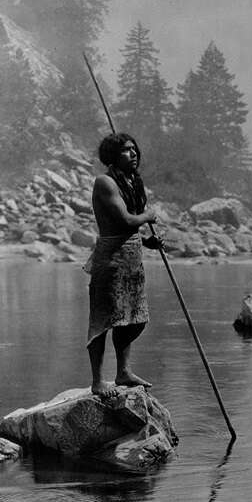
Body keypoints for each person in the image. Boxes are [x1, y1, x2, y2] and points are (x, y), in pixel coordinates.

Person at [85, 132, 162, 396]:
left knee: (132, 319)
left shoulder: (132, 182)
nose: (134, 154)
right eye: (126, 151)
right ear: (112, 157)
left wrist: (148, 242)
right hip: (110, 260)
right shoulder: (105, 182)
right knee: (104, 320)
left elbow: (131, 229)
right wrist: (147, 215)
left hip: (132, 258)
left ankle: (123, 372)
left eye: (135, 149)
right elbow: (124, 221)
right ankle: (97, 381)